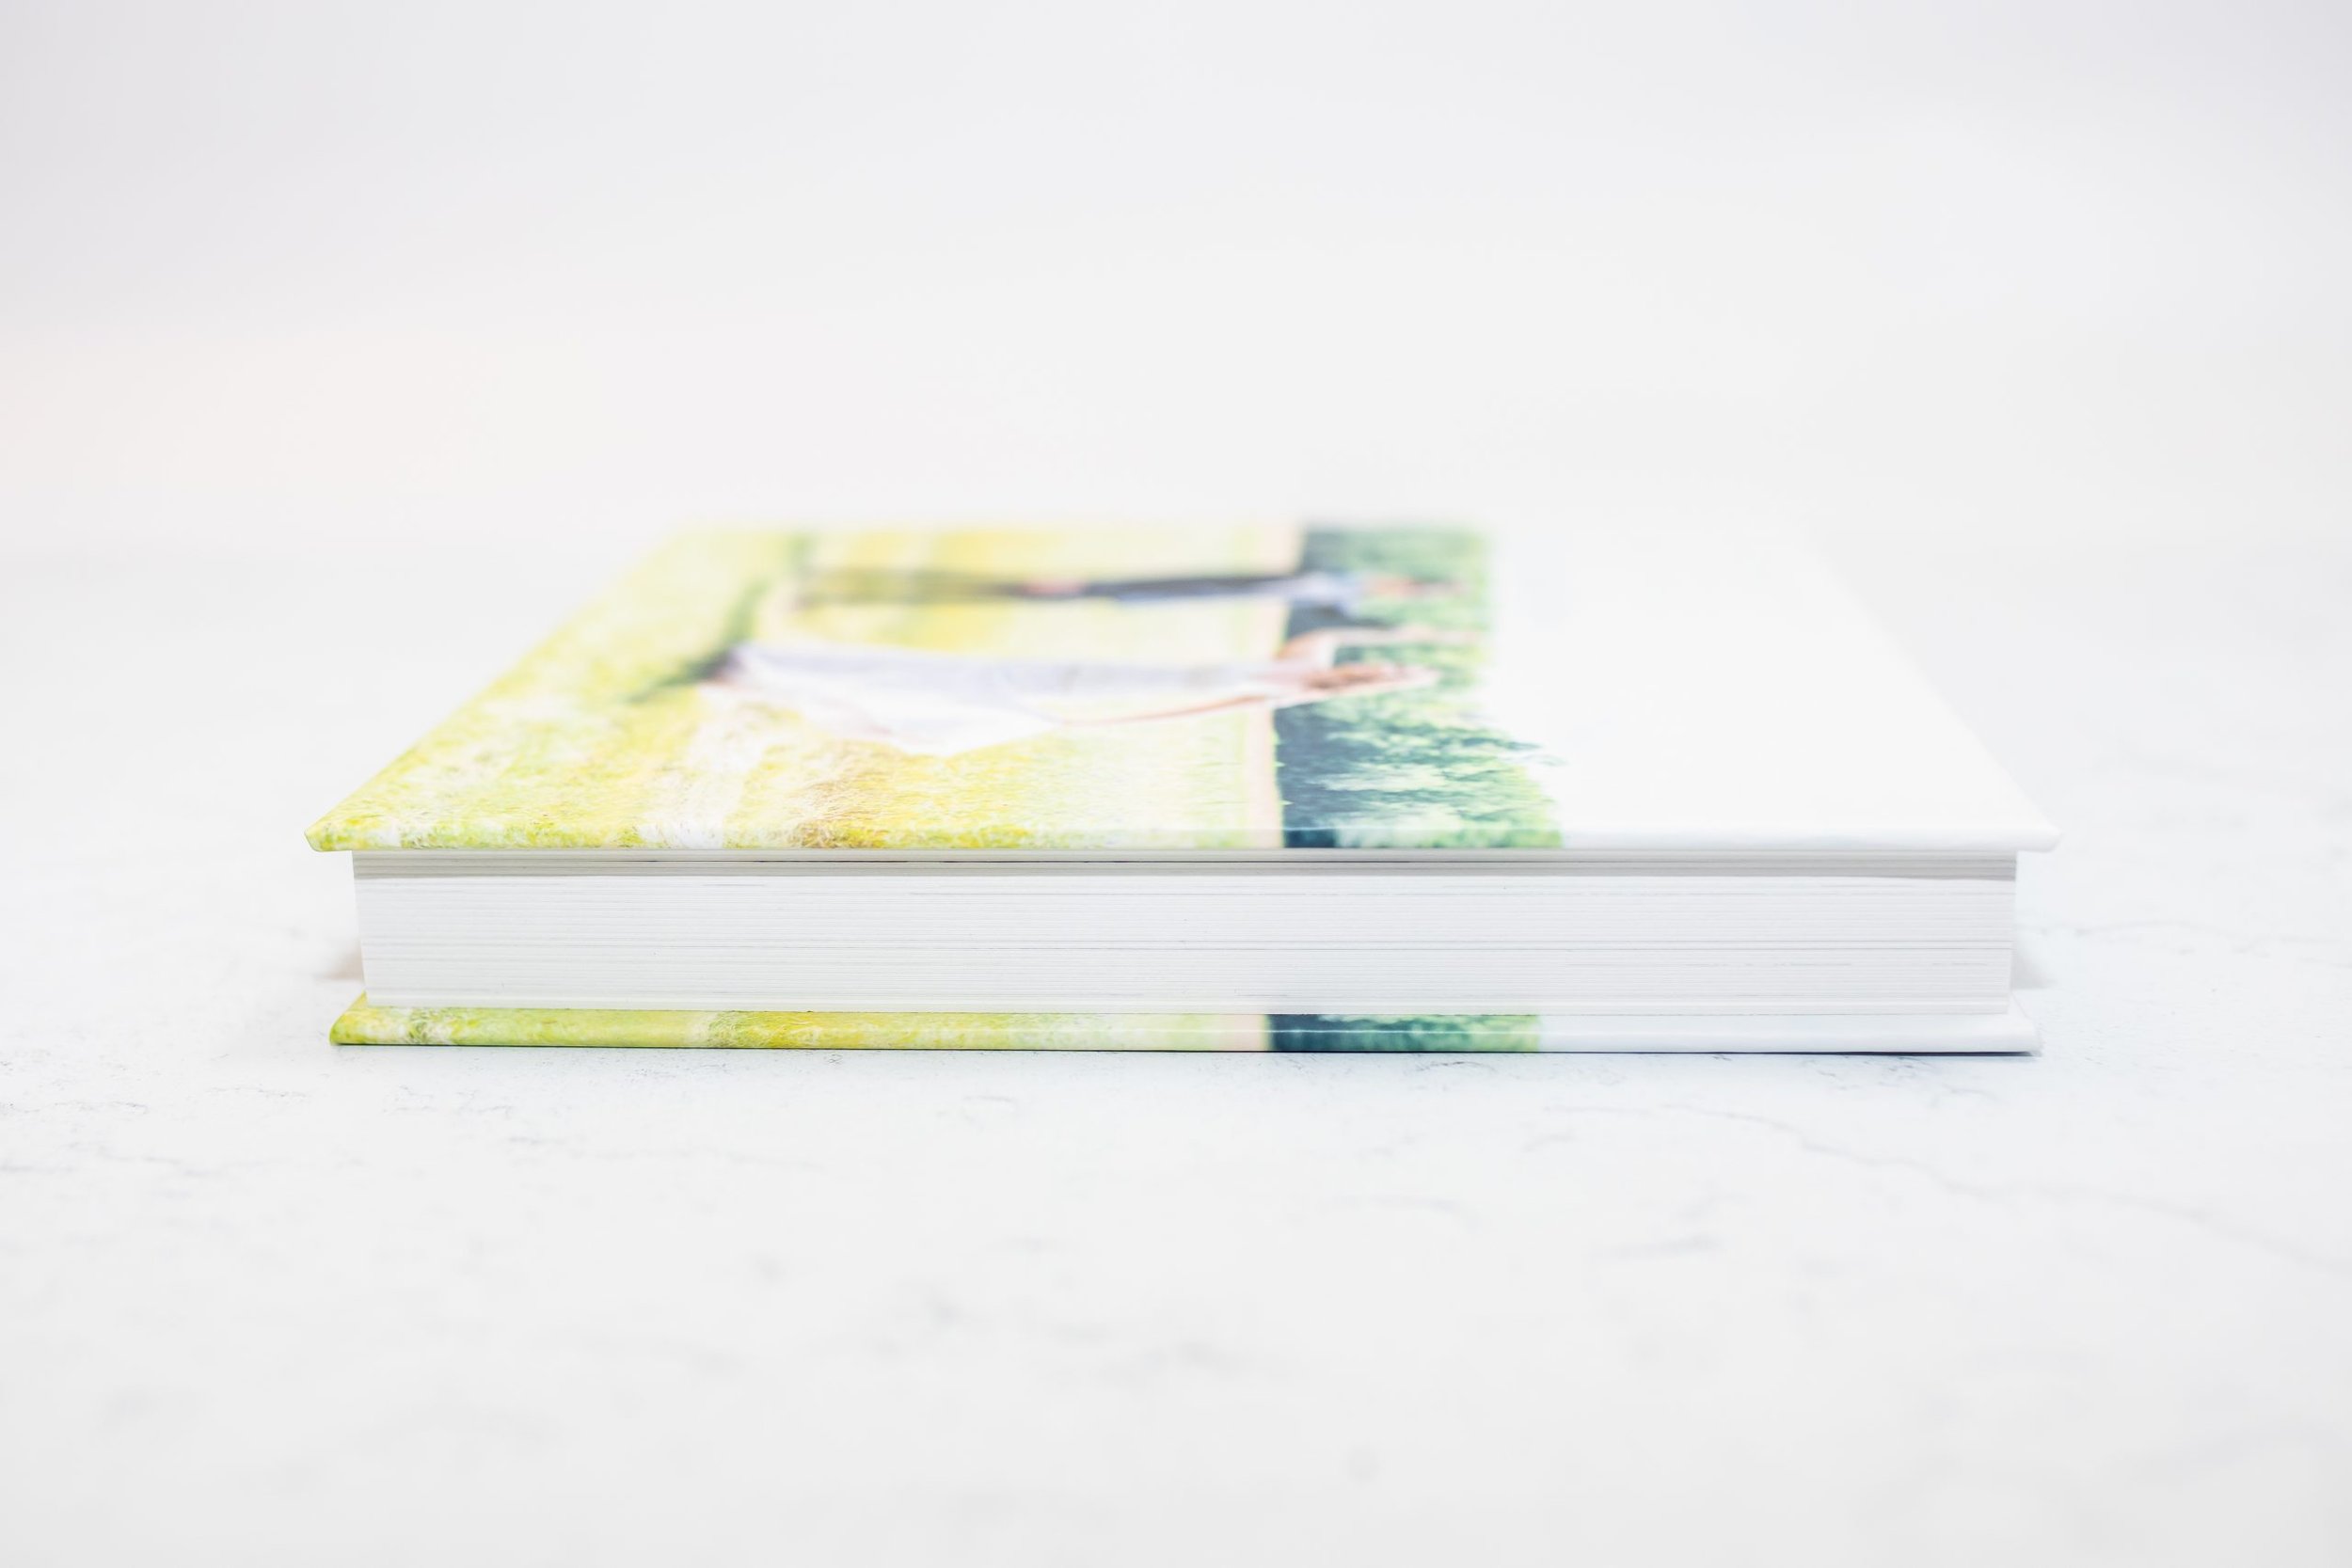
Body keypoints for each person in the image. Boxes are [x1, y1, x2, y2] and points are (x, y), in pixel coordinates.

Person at [706, 626, 1466, 755]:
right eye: (1387, 669)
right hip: (1079, 672)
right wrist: (1420, 649)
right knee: (937, 674)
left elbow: (1197, 708)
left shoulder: (1293, 694)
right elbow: (1331, 630)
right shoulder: (1302, 659)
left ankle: (761, 684)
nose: (1381, 674)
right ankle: (761, 669)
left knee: (933, 703)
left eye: (1389, 680)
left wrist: (1089, 729)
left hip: (1090, 701)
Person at [796, 565, 1456, 614]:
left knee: (981, 593)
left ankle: (836, 593)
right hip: (1109, 588)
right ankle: (836, 590)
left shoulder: (1339, 594)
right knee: (977, 589)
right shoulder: (1329, 586)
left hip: (1110, 592)